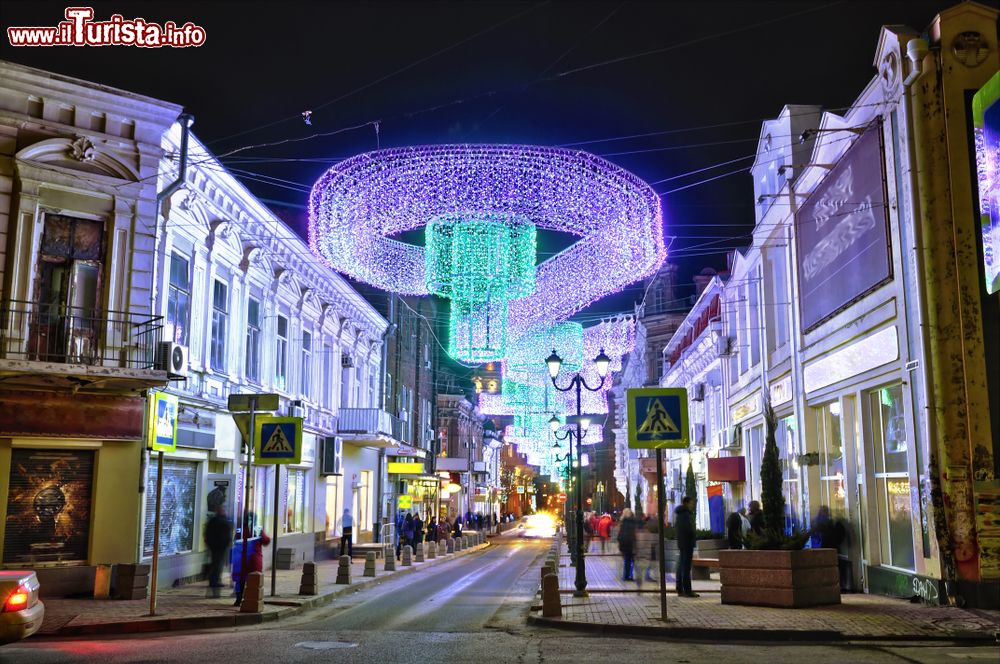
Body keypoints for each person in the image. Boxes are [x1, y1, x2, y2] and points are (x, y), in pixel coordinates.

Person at [233, 514, 270, 606]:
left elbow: (235, 542)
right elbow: (266, 541)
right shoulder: (257, 530)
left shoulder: (240, 530)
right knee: (253, 580)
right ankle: (252, 599)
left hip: (241, 560)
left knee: (240, 581)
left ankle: (239, 598)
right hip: (253, 560)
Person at [204, 506, 233, 598]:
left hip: (214, 546)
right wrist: (227, 544)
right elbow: (227, 535)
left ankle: (214, 580)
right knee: (218, 564)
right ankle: (215, 581)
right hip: (221, 547)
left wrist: (209, 543)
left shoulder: (212, 521)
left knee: (216, 563)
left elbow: (207, 533)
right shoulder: (224, 522)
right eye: (224, 511)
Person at [674, 496, 699, 598]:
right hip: (687, 544)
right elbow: (688, 530)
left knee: (681, 567)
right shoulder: (685, 514)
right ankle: (687, 590)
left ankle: (680, 588)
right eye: (691, 503)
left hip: (682, 544)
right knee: (685, 567)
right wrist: (693, 537)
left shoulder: (680, 514)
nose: (692, 505)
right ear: (687, 503)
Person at [617, 508, 638, 581]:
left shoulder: (622, 522)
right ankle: (630, 576)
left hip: (623, 543)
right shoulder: (632, 522)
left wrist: (619, 543)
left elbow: (619, 534)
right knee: (631, 560)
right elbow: (633, 534)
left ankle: (626, 575)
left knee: (627, 560)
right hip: (630, 543)